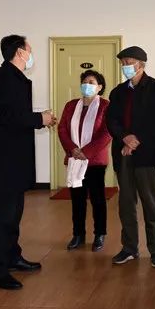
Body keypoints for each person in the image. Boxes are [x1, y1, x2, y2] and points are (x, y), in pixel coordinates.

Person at [0, 35, 57, 290]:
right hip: (5, 162)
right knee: (3, 216)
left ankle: (12, 256)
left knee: (14, 214)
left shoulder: (14, 77)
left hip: (14, 160)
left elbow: (16, 115)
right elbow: (9, 117)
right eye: (29, 49)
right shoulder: (5, 78)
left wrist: (38, 118)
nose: (32, 53)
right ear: (20, 52)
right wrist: (40, 119)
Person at [106, 46, 155, 268]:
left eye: (129, 62)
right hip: (123, 154)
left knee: (151, 205)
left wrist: (134, 141)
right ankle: (129, 248)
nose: (125, 66)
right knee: (126, 205)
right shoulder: (118, 92)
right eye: (123, 63)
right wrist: (125, 138)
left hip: (147, 156)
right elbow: (111, 120)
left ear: (141, 64)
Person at [57, 70, 112, 252]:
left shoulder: (105, 106)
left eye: (91, 82)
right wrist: (72, 149)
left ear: (99, 87)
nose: (87, 85)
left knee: (98, 199)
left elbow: (107, 132)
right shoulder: (71, 105)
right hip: (74, 159)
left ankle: (99, 234)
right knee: (77, 200)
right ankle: (78, 235)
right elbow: (62, 129)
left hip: (95, 161)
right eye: (84, 81)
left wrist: (87, 152)